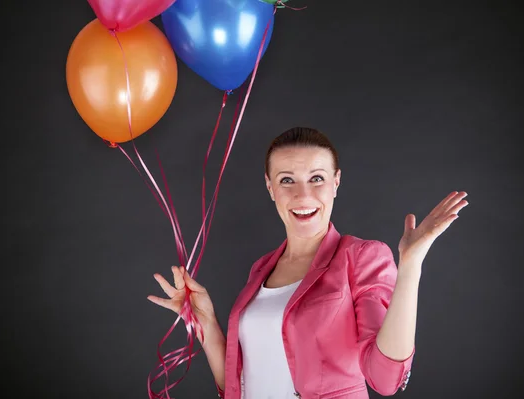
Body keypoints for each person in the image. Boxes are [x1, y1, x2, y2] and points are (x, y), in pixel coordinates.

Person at [147, 127, 469, 398]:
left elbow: (385, 379)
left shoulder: (359, 258)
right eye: (287, 180)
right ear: (270, 187)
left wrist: (410, 267)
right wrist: (204, 322)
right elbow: (239, 384)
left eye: (316, 178)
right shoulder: (260, 270)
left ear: (336, 183)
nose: (303, 195)